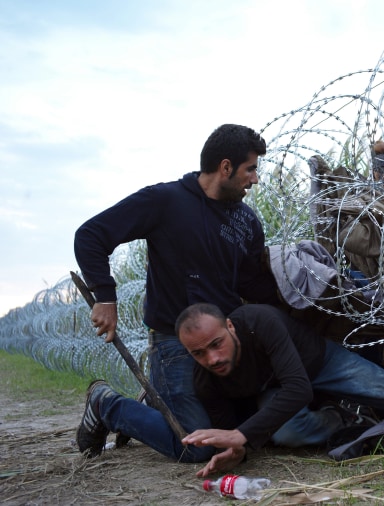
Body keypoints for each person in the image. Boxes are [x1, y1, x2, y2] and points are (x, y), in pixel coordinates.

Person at [73, 124, 279, 462]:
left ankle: (158, 405)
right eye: (250, 169)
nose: (255, 179)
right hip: (176, 345)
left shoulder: (246, 221)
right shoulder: (165, 201)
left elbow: (249, 285)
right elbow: (92, 235)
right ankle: (106, 404)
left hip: (227, 342)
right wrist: (105, 297)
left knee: (248, 432)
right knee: (198, 449)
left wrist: (303, 296)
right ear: (225, 167)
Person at [175, 302, 384, 477]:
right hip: (280, 388)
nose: (212, 359)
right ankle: (344, 418)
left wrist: (241, 435)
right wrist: (235, 452)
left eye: (217, 344)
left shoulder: (259, 321)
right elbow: (230, 436)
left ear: (230, 326)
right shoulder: (205, 381)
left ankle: (348, 403)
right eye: (198, 353)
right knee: (288, 434)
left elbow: (299, 388)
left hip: (319, 362)